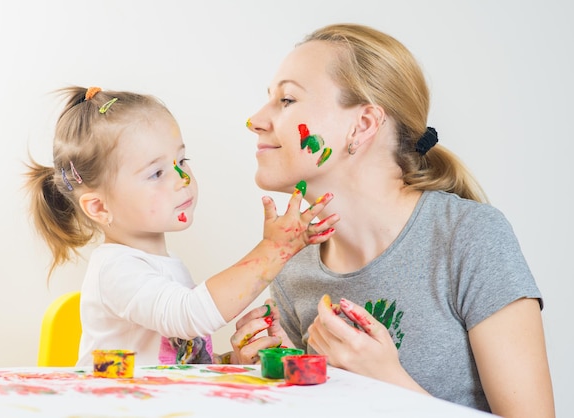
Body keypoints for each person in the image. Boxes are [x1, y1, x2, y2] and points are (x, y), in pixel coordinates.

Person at [238, 23, 555, 417]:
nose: (255, 120)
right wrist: (266, 380)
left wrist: (388, 381)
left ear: (365, 124)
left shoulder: (468, 237)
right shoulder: (293, 268)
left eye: (286, 99)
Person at [25, 86, 339, 367]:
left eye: (182, 161)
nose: (183, 179)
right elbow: (188, 316)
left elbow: (177, 367)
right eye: (156, 174)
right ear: (99, 207)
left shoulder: (167, 268)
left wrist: (230, 361)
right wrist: (273, 250)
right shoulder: (114, 270)